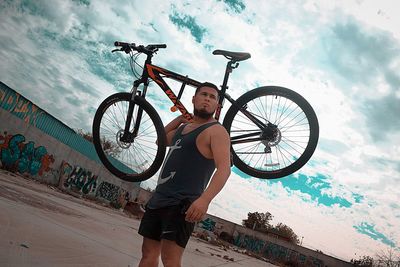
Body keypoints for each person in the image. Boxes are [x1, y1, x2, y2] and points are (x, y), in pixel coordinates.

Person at [138, 82, 231, 267]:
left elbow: (224, 169)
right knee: (148, 255)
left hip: (182, 204)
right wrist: (179, 119)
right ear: (194, 99)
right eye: (203, 94)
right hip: (159, 199)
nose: (207, 98)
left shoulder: (216, 131)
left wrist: (205, 200)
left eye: (213, 97)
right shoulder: (182, 129)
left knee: (170, 260)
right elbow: (160, 140)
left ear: (217, 106)